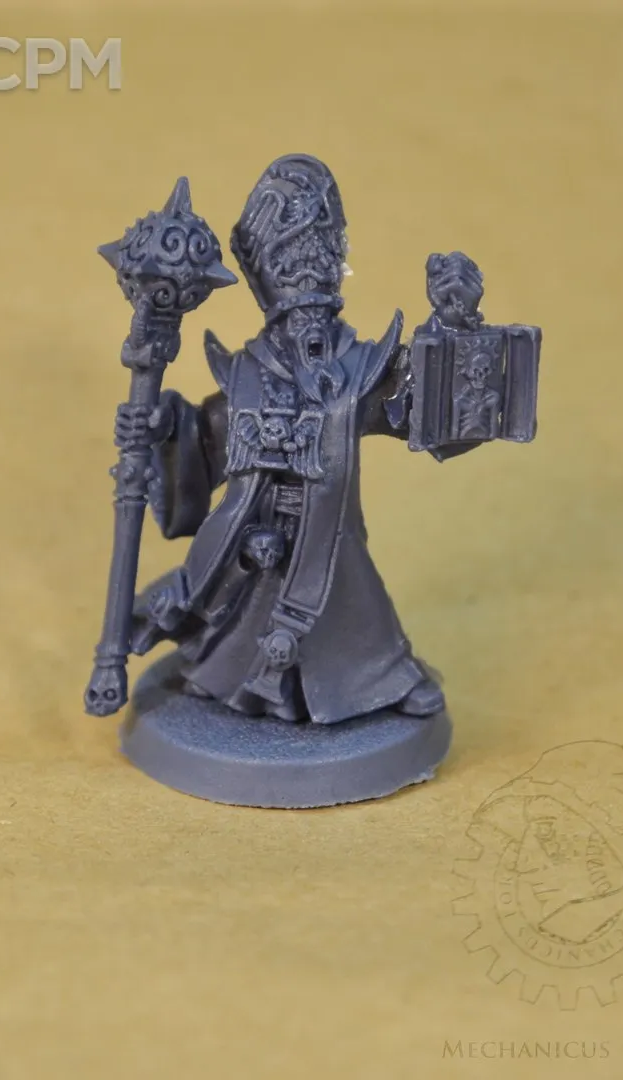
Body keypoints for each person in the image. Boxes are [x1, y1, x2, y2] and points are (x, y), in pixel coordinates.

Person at [119, 154, 483, 724]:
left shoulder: (358, 369)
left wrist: (453, 329)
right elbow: (211, 439)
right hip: (256, 529)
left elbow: (421, 411)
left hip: (330, 530)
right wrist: (164, 427)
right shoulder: (248, 373)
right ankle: (232, 682)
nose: (306, 325)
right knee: (242, 613)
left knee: (351, 599)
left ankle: (383, 677)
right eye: (295, 313)